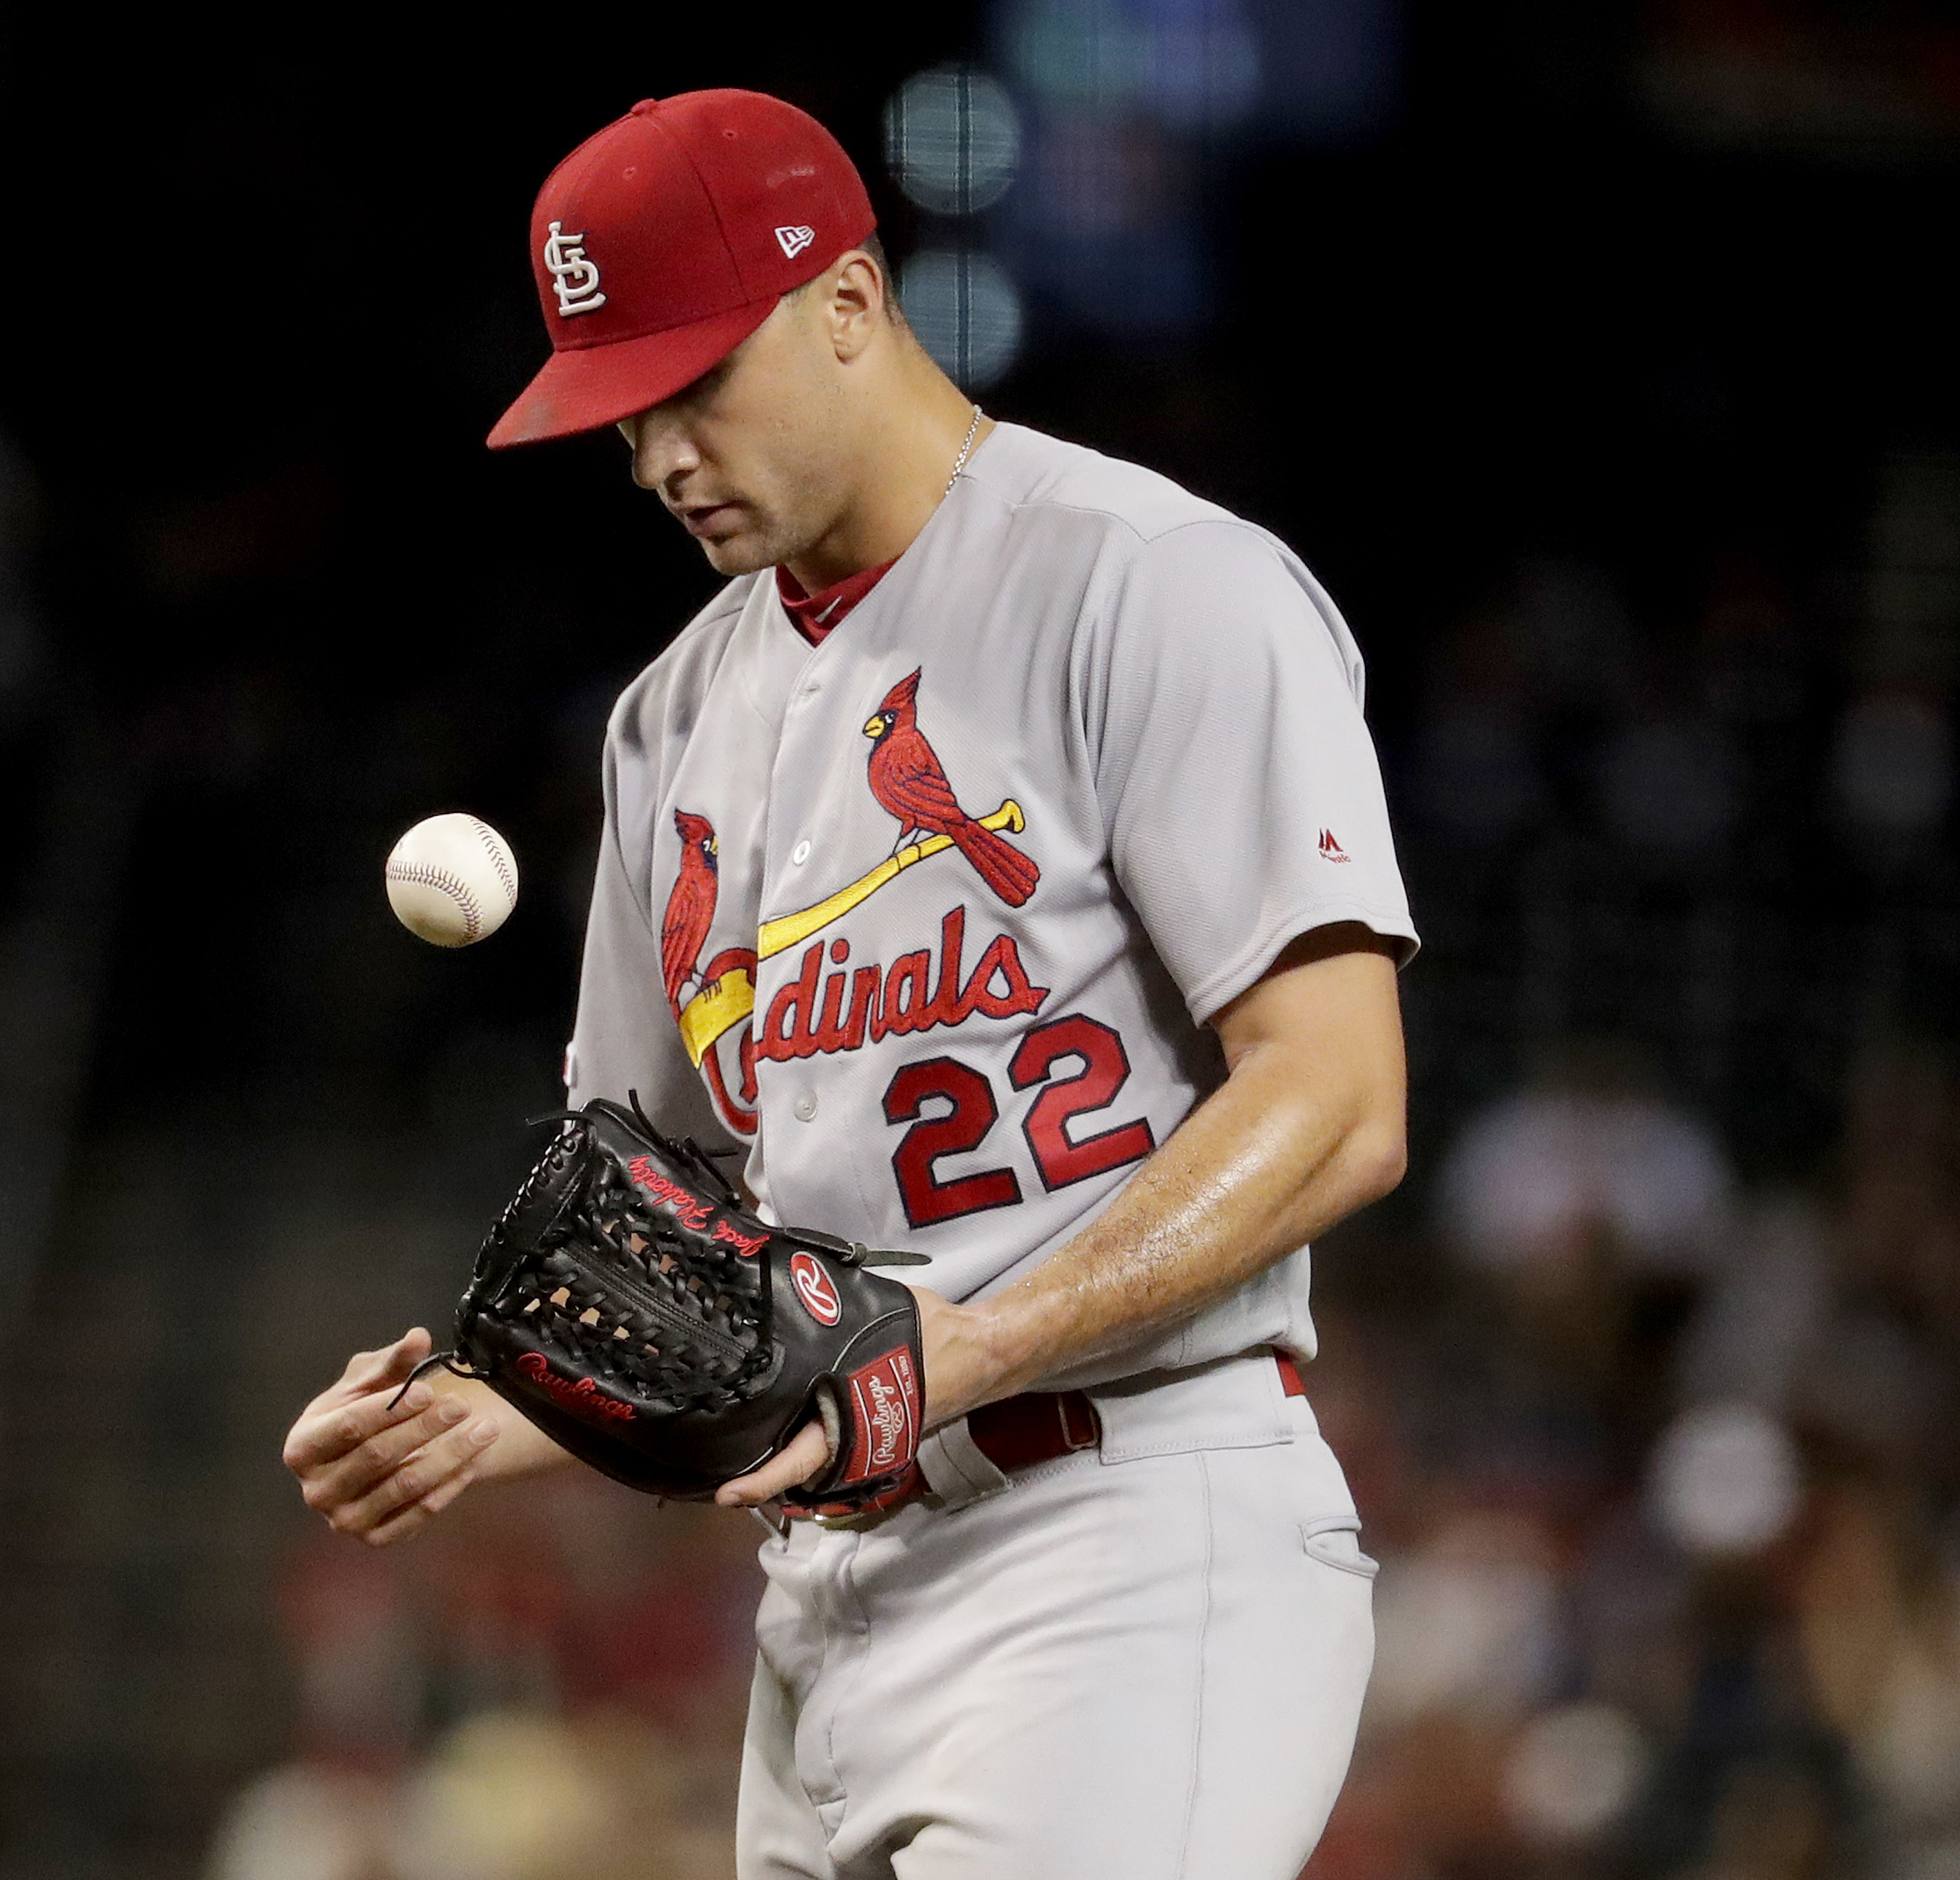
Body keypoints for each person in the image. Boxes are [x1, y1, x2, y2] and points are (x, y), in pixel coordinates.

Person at [281, 89, 1414, 1880]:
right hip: (826, 1589)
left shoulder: (1152, 586)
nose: (657, 451)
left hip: (1124, 1532)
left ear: (849, 302)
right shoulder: (671, 719)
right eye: (619, 406)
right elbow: (673, 1208)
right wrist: (488, 1408)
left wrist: (958, 1347)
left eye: (692, 380)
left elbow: (1340, 1100)